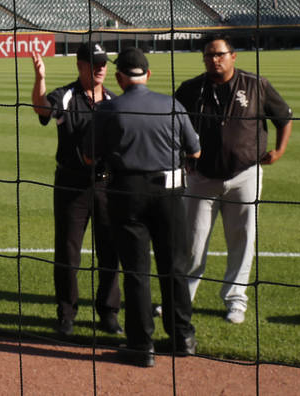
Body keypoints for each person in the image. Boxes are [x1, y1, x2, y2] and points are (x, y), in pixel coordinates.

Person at [85, 47, 200, 367]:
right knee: (175, 267)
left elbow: (88, 157)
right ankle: (183, 338)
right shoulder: (172, 104)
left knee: (136, 272)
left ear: (120, 78)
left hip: (128, 193)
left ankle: (141, 346)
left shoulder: (109, 110)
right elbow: (196, 152)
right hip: (171, 193)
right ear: (148, 75)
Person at [174, 35, 292, 325]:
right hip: (201, 176)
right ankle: (181, 300)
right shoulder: (191, 89)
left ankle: (235, 300)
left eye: (220, 54)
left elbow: (284, 117)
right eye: (209, 55)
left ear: (233, 56)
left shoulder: (256, 85)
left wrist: (279, 150)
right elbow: (172, 123)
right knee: (192, 242)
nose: (214, 59)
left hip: (245, 174)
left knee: (242, 239)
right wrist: (180, 156)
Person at [30, 42, 121, 337]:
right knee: (68, 253)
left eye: (103, 63)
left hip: (107, 185)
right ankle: (66, 314)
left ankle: (108, 313)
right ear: (80, 65)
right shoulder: (66, 96)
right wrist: (40, 78)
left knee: (110, 251)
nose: (101, 68)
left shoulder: (113, 99)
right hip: (71, 184)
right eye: (94, 63)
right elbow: (42, 110)